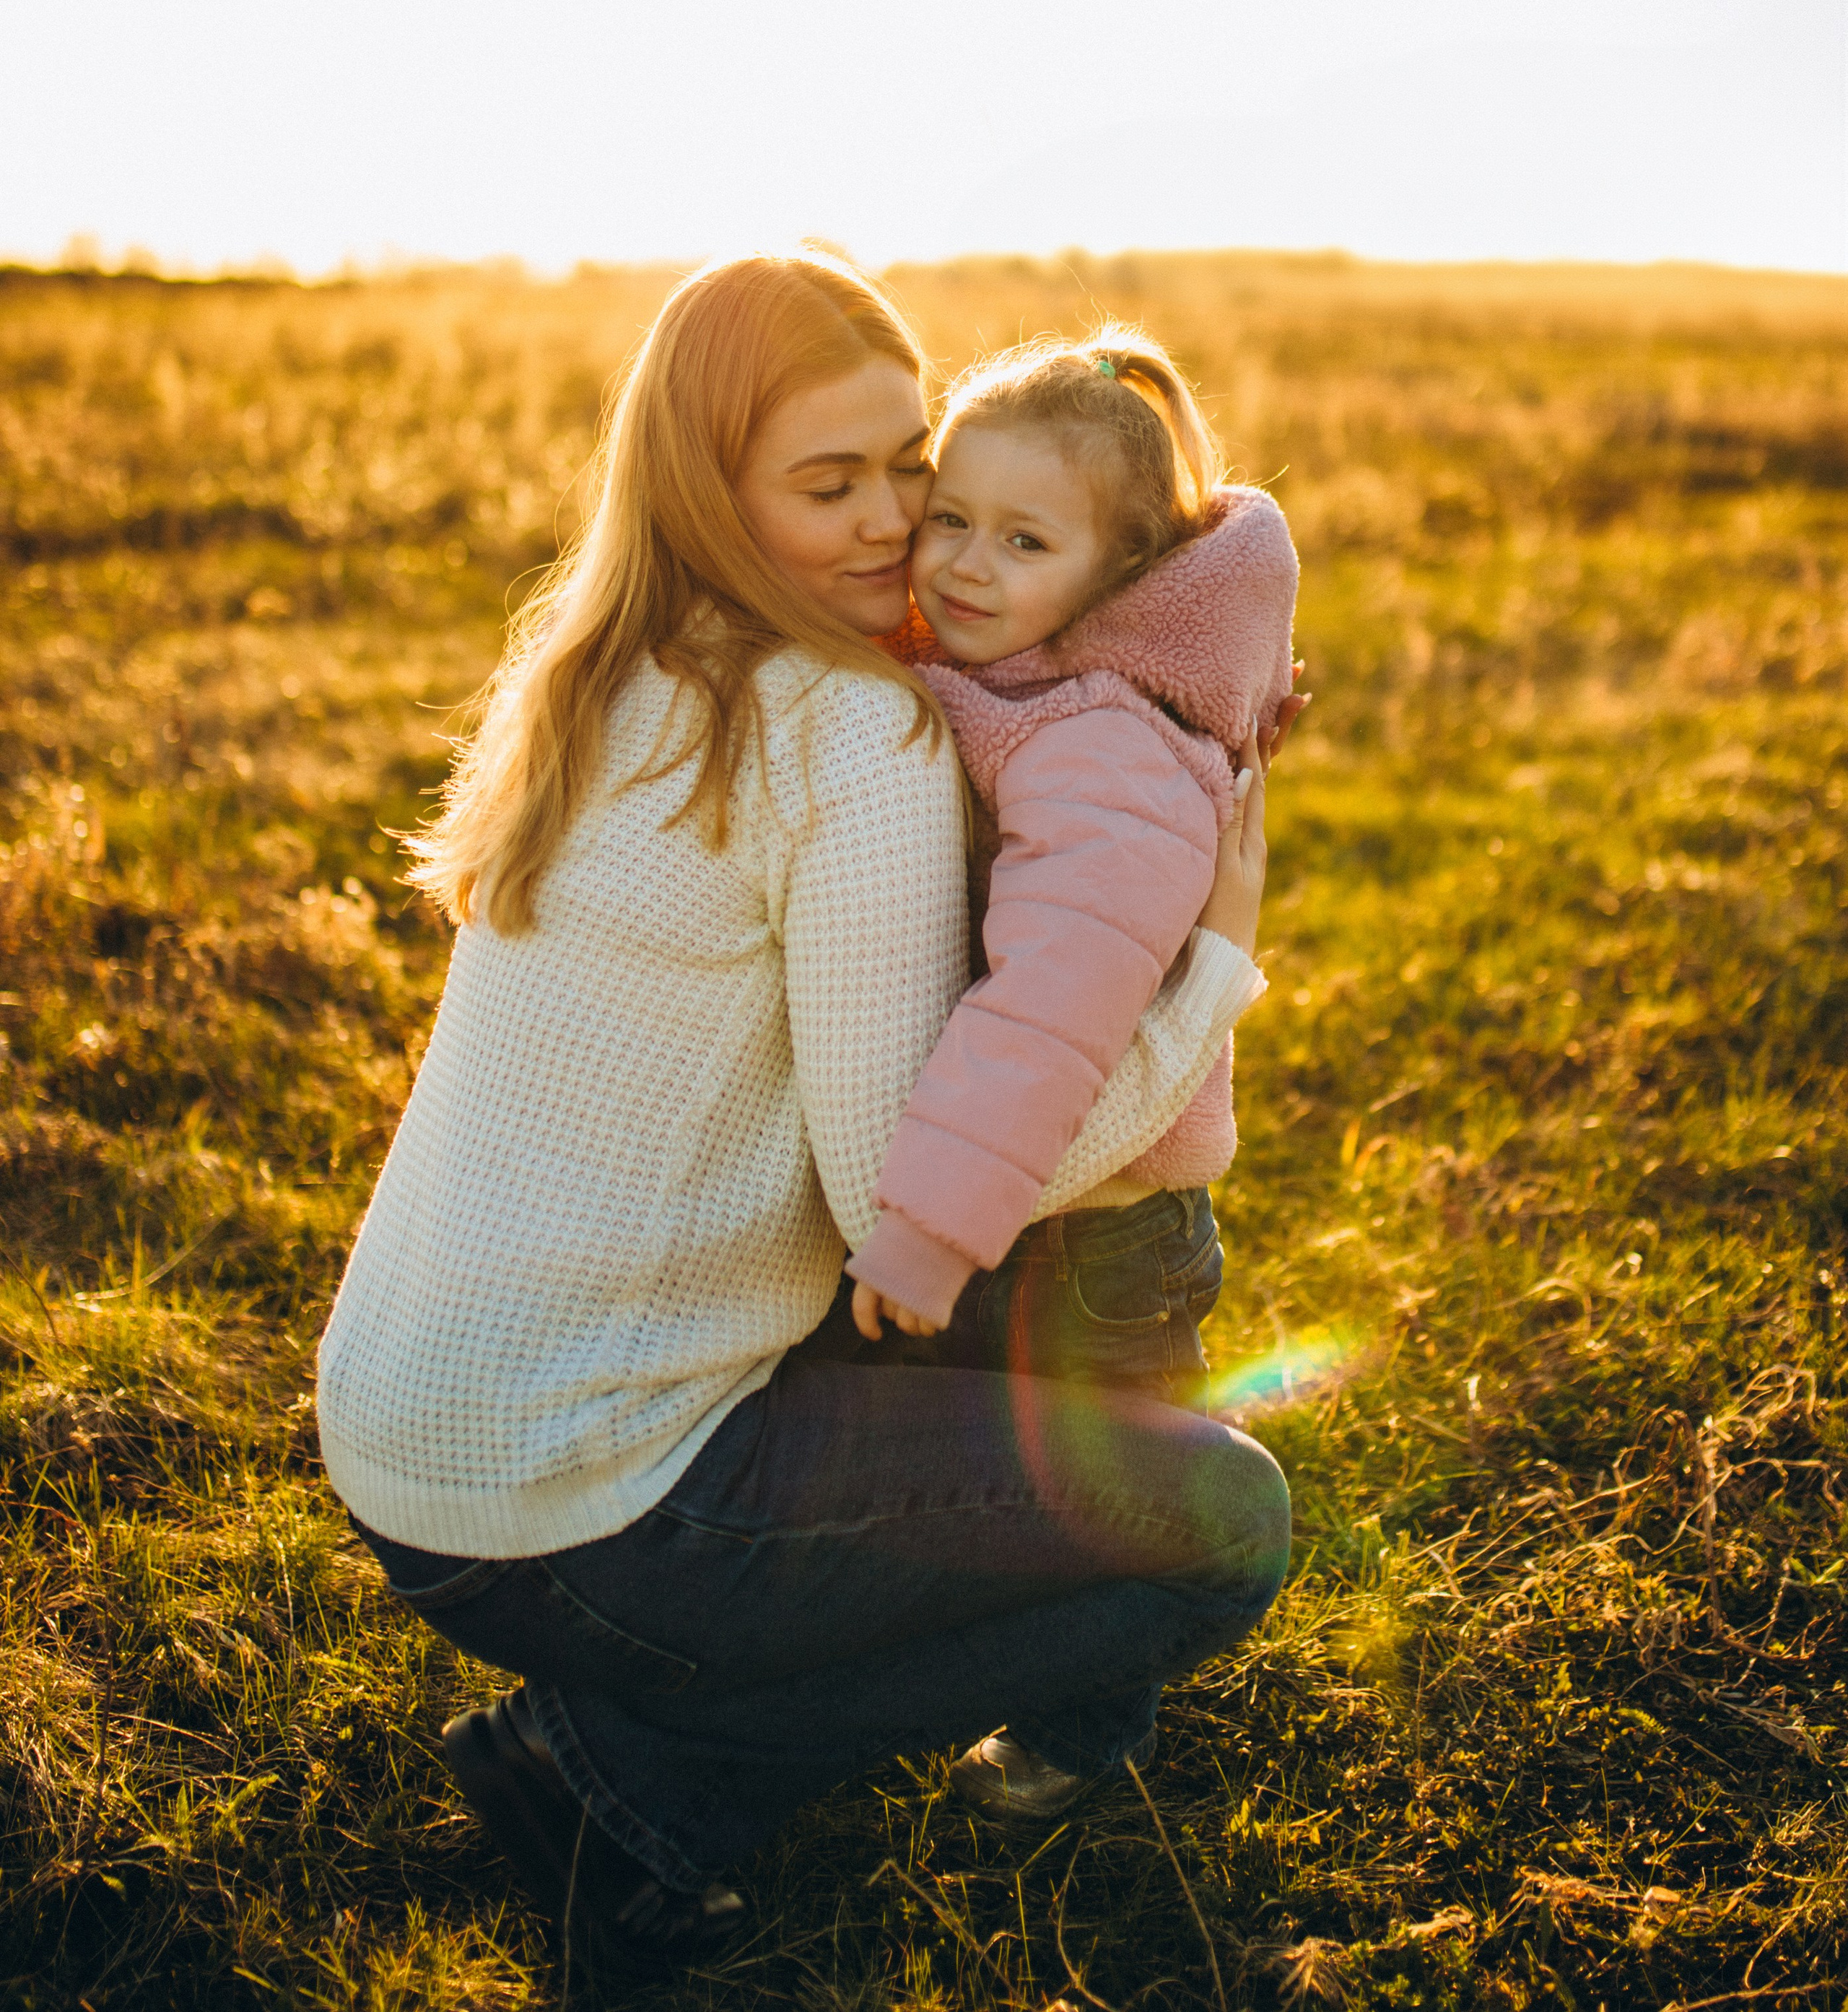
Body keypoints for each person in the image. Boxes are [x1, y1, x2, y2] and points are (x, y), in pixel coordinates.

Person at [315, 253, 1294, 1983]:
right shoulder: (850, 734)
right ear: (713, 488)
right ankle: (628, 1780)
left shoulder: (616, 664)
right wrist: (1210, 964)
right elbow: (898, 1182)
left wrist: (1154, 679)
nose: (891, 524)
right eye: (825, 484)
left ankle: (644, 1724)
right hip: (593, 1502)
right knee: (1223, 1526)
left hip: (406, 1446)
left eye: (905, 465)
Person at [846, 327, 1298, 1417]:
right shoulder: (1017, 678)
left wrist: (930, 1231)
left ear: (1120, 574)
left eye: (1025, 541)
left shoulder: (1101, 746)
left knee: (1118, 1492)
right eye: (950, 519)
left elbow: (1053, 1002)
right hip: (1029, 1200)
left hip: (1097, 1244)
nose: (967, 564)